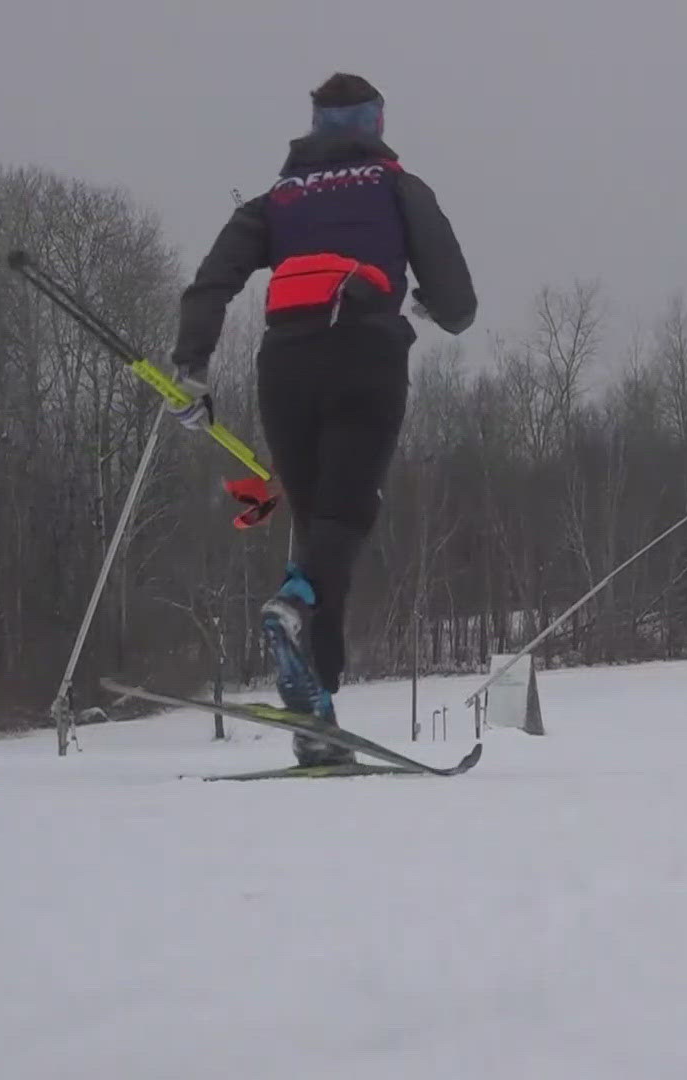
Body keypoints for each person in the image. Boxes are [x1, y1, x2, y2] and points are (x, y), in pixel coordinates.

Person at [167, 72, 477, 765]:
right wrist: (428, 307)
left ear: (313, 126)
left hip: (284, 365)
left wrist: (190, 367)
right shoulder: (398, 188)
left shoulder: (275, 200)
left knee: (317, 532)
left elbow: (213, 281)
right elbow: (459, 300)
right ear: (374, 124)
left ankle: (317, 717)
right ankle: (294, 602)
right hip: (364, 354)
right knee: (345, 519)